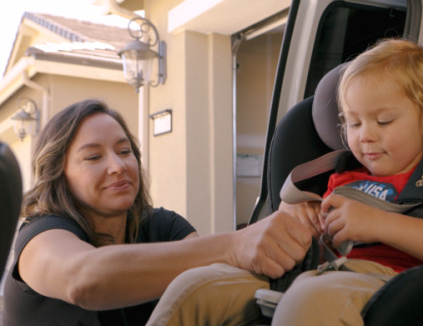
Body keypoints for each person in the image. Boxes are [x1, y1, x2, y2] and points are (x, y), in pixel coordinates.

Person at [145, 38, 423, 325]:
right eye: (354, 123)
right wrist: (301, 217)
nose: (365, 136)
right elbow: (310, 229)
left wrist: (378, 224)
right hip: (314, 272)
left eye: (383, 120)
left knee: (308, 297)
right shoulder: (341, 174)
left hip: (392, 284)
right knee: (196, 287)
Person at [2, 99, 313, 326]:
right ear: (58, 174)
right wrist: (234, 244)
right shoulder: (40, 235)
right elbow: (83, 279)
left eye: (125, 152)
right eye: (94, 156)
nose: (118, 166)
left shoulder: (163, 226)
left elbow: (212, 286)